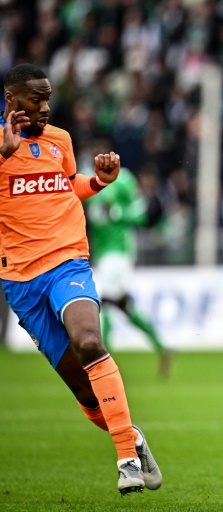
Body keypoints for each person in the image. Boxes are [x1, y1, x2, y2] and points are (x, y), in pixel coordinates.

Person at [0, 64, 161, 495]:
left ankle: (126, 460)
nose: (46, 107)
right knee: (86, 394)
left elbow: (66, 185)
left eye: (49, 98)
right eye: (37, 99)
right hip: (20, 280)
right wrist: (3, 153)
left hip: (68, 261)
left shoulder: (60, 140)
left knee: (90, 341)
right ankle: (132, 436)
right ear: (12, 100)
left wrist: (98, 182)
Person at [84, 165, 172, 378]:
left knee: (102, 302)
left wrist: (117, 212)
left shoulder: (122, 179)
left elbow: (141, 215)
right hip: (103, 253)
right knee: (122, 305)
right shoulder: (86, 181)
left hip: (118, 253)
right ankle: (163, 347)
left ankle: (102, 362)